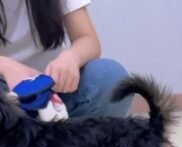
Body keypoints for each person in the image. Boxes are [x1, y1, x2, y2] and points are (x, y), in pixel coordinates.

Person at [0, 0, 129, 118]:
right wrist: (7, 67)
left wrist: (71, 58)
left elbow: (87, 38)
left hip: (52, 86)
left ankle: (71, 139)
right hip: (5, 94)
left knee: (110, 77)